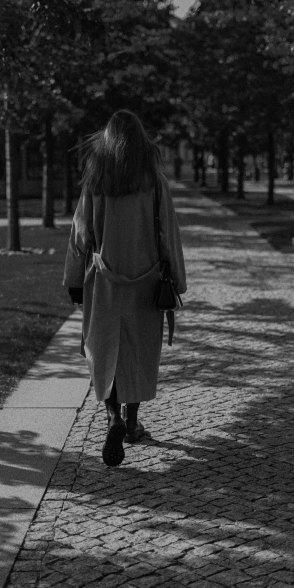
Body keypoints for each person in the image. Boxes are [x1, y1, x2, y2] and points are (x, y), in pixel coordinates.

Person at [63, 110, 187, 468]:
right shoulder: (154, 181)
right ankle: (131, 424)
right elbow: (168, 235)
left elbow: (80, 234)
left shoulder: (96, 181)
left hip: (104, 280)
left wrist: (74, 280)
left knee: (104, 349)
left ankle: (111, 417)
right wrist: (176, 279)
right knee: (137, 350)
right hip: (146, 282)